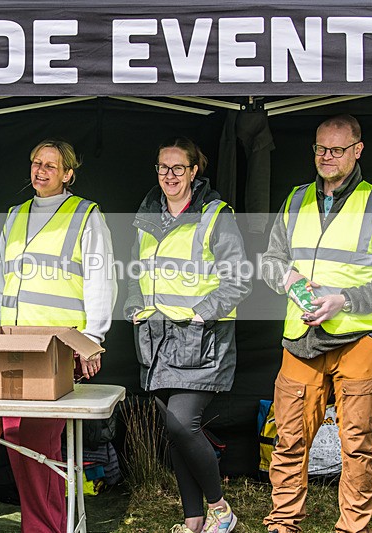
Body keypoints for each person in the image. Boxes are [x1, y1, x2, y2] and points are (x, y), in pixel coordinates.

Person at [261, 115, 372, 533]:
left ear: (357, 151)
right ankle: (283, 522)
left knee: (356, 443)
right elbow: (272, 261)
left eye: (337, 149)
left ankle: (353, 527)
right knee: (289, 438)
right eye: (320, 149)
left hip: (360, 337)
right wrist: (288, 280)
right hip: (301, 339)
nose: (326, 157)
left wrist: (344, 300)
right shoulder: (295, 200)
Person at [124, 137, 251, 533]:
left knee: (182, 424)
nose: (169, 175)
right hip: (156, 341)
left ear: (195, 171)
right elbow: (136, 272)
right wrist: (133, 306)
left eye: (179, 168)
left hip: (200, 341)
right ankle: (193, 520)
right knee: (175, 433)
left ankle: (220, 509)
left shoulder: (216, 215)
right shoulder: (147, 217)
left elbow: (238, 279)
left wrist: (202, 315)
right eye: (163, 167)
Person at [0, 139, 117, 533]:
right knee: (13, 437)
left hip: (56, 349)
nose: (41, 171)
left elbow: (101, 279)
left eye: (50, 165)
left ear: (68, 174)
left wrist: (92, 338)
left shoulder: (86, 215)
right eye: (36, 163)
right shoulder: (15, 215)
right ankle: (42, 522)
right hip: (13, 346)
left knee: (37, 442)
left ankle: (45, 527)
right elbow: (2, 281)